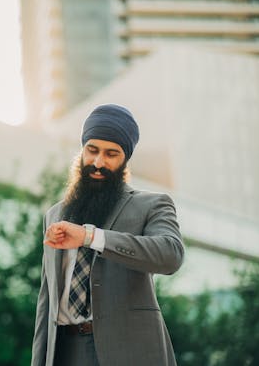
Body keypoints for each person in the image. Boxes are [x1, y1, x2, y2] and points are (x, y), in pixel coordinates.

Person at [31, 104, 184, 366]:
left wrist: (91, 237)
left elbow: (171, 255)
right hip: (64, 352)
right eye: (92, 151)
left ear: (125, 159)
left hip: (128, 353)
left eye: (111, 154)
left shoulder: (152, 204)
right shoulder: (54, 215)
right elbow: (47, 302)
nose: (98, 163)